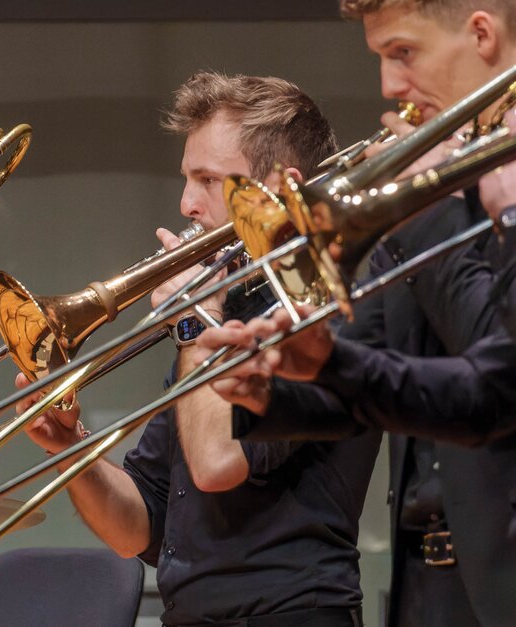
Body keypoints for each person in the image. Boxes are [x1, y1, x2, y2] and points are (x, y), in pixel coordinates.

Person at [194, 2, 516, 625]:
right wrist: (278, 385)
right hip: (426, 580)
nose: (389, 85)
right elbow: (372, 371)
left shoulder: (460, 197)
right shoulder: (439, 181)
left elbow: (498, 380)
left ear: (481, 34)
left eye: (403, 53)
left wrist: (427, 216)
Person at [18, 71, 378, 626]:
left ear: (281, 189)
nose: (186, 203)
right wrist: (70, 449)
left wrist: (192, 322)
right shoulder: (224, 309)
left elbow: (218, 465)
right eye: (187, 179)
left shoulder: (323, 312)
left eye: (208, 180)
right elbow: (137, 527)